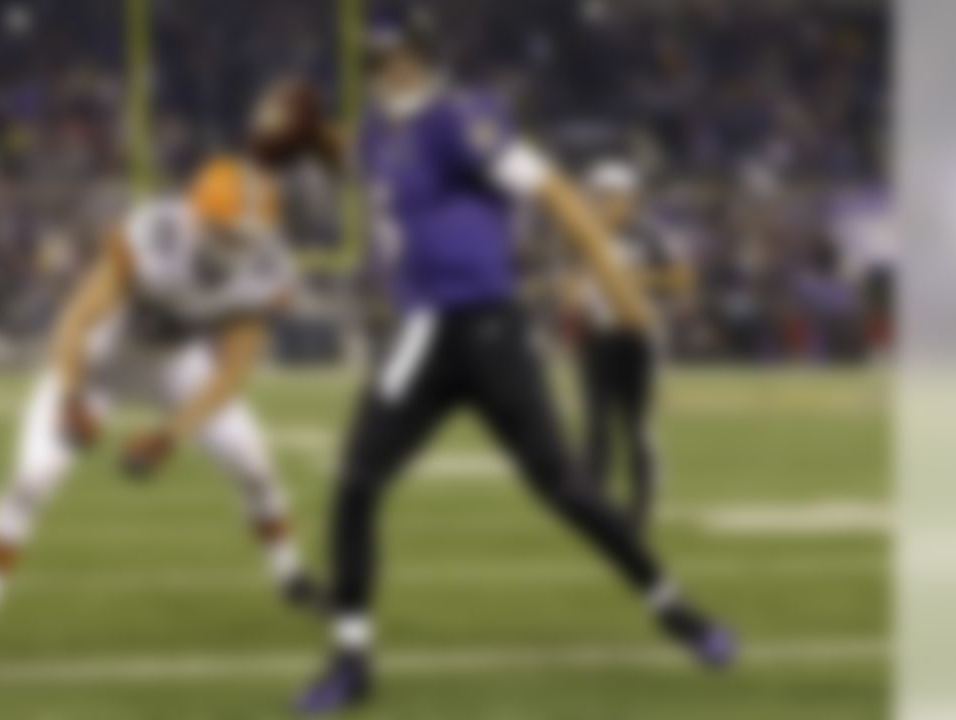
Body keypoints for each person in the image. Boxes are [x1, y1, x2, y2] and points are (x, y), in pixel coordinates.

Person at [295, 14, 736, 715]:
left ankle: (676, 609)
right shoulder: (378, 131)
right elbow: (361, 160)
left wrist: (618, 287)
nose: (392, 68)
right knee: (356, 482)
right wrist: (306, 137)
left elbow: (556, 193)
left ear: (427, 55)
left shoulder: (461, 118)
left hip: (487, 327)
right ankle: (352, 656)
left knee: (566, 487)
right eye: (380, 57)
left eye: (402, 55)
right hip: (421, 330)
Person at [0, 81, 334, 671]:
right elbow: (76, 319)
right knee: (33, 478)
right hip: (103, 359)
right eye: (224, 232)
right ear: (197, 216)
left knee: (254, 461)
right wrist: (71, 395)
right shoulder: (157, 234)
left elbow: (231, 373)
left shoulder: (264, 269)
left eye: (242, 237)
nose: (231, 246)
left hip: (176, 364)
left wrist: (171, 435)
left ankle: (291, 574)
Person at [567, 160, 693, 533]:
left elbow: (681, 278)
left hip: (636, 337)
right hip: (596, 335)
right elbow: (574, 285)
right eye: (597, 196)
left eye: (608, 196)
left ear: (628, 199)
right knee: (596, 422)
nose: (601, 203)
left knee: (635, 424)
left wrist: (634, 278)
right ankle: (593, 503)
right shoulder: (585, 236)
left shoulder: (649, 236)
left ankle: (640, 505)